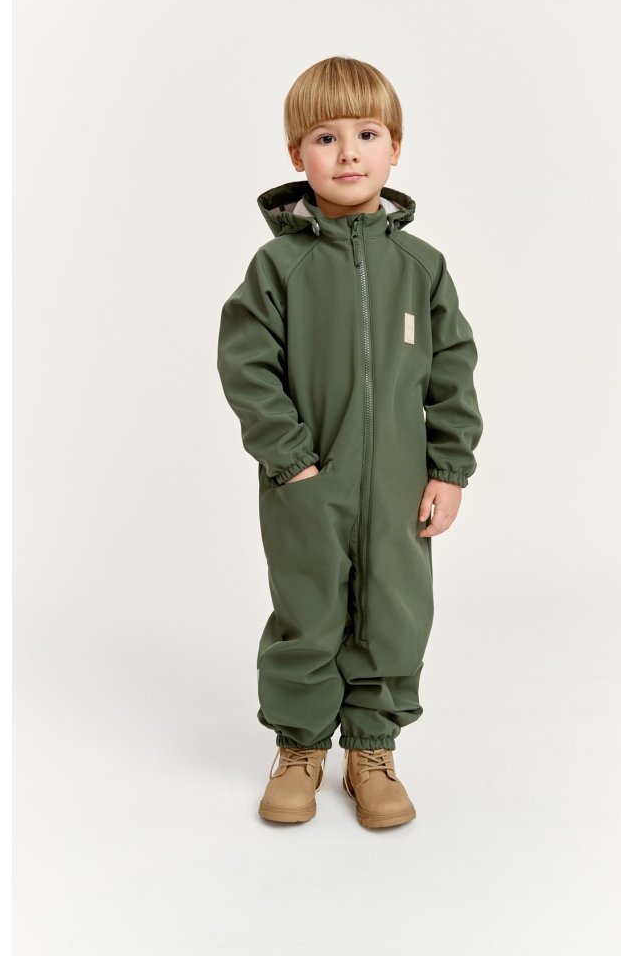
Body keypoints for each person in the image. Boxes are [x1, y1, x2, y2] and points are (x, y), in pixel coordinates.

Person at [216, 56, 483, 828]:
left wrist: (449, 468)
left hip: (399, 486)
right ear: (297, 154)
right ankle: (300, 746)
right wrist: (290, 459)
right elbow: (247, 366)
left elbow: (452, 370)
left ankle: (372, 749)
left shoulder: (421, 268)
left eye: (367, 134)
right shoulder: (280, 266)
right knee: (308, 613)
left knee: (395, 612)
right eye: (325, 137)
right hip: (306, 482)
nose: (348, 153)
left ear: (395, 147)